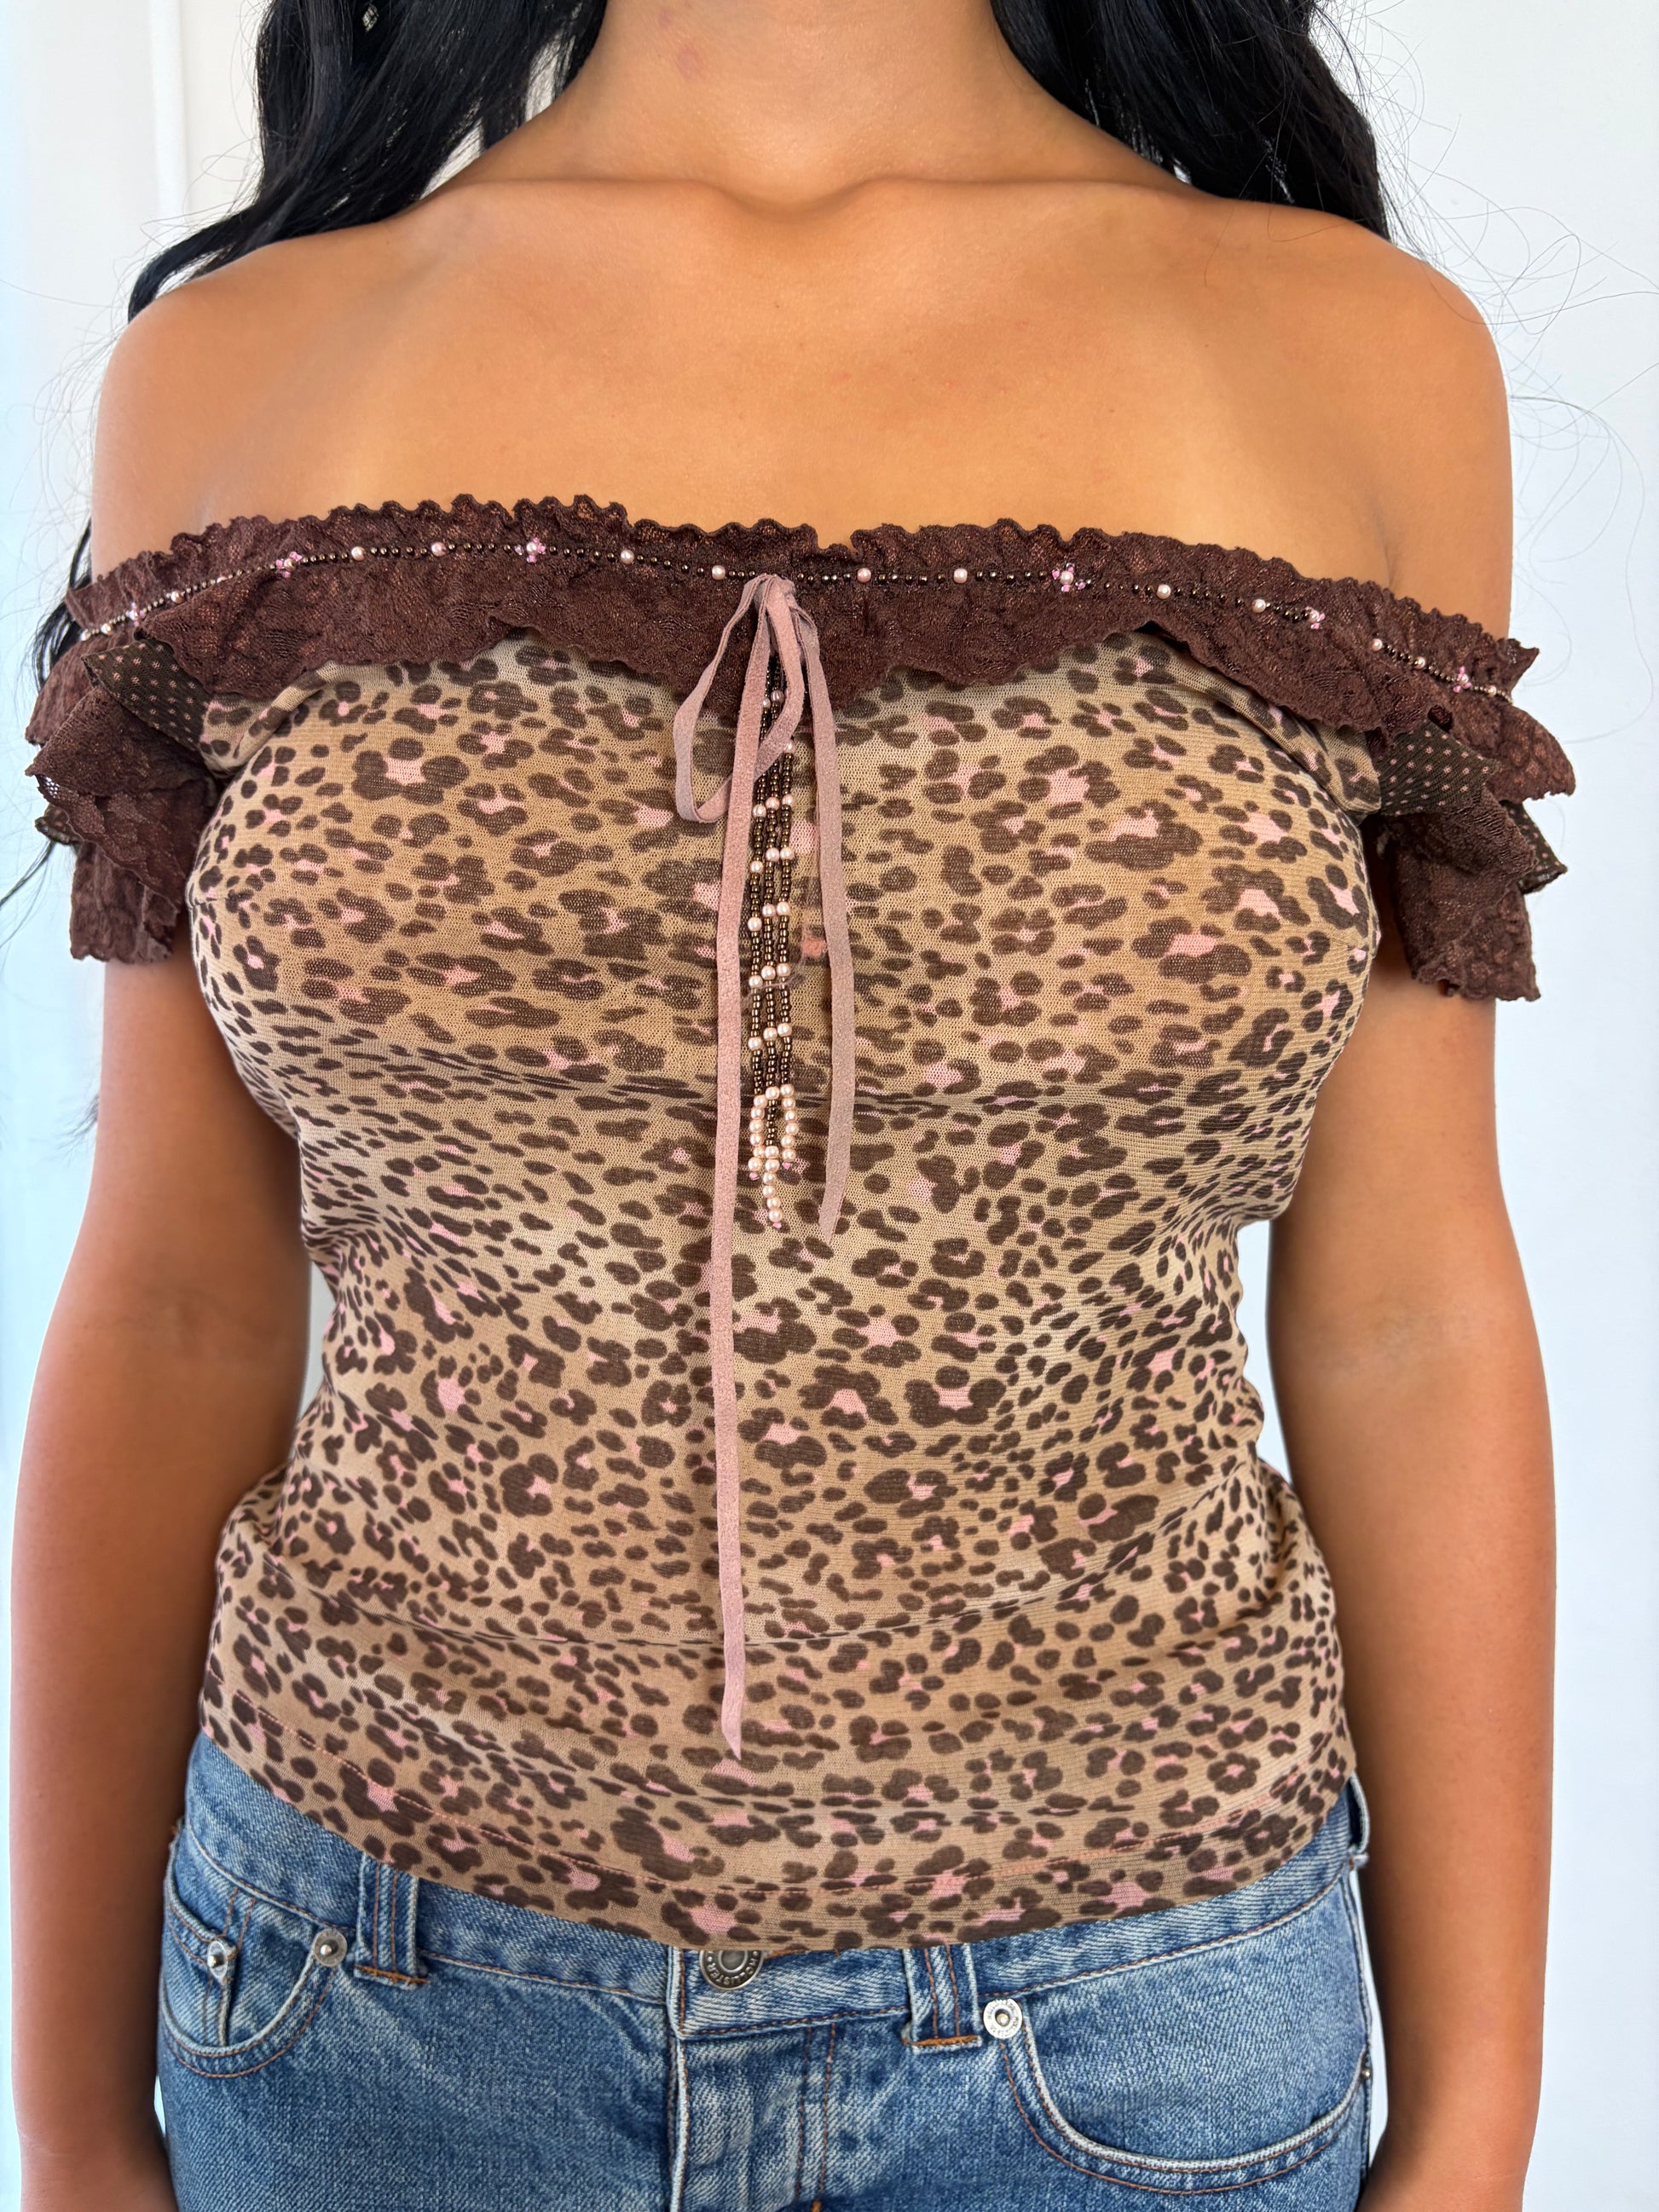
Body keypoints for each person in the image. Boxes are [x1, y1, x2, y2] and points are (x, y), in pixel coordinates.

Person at [10, 2, 1571, 2207]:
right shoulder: (233, 373)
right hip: (370, 2006)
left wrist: (1481, 2118)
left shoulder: (1358, 361)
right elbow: (178, 1297)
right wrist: (71, 2117)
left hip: (1143, 2036)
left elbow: (1406, 1305)